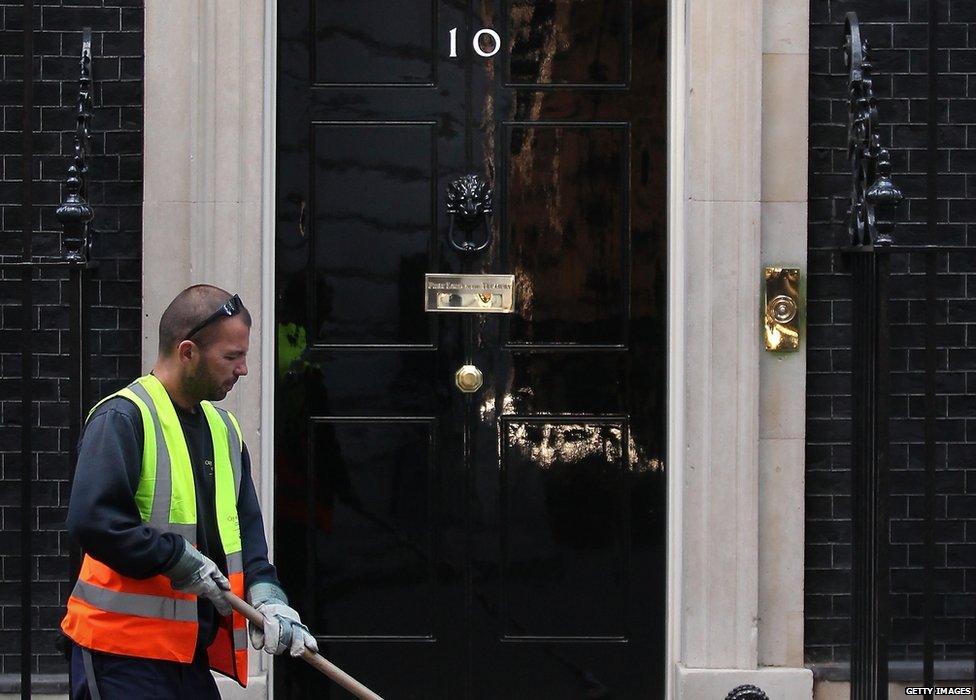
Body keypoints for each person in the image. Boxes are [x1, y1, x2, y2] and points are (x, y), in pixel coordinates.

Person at [60, 284, 317, 699]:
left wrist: (269, 598)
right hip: (120, 654)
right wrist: (176, 557)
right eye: (232, 357)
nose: (244, 369)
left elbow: (246, 534)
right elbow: (92, 521)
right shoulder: (123, 418)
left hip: (185, 657)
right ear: (187, 352)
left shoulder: (225, 430)